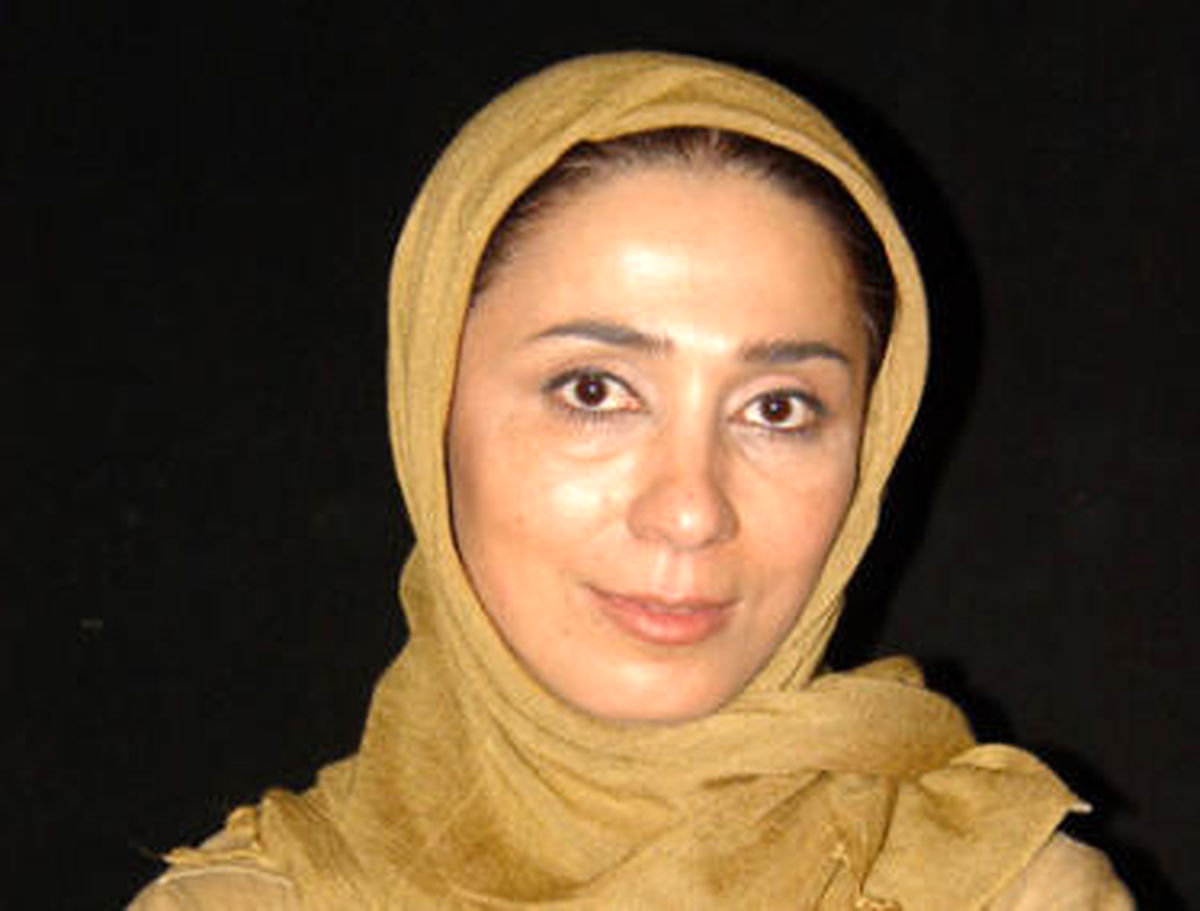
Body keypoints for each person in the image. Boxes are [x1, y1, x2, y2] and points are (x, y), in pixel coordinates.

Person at [130, 51, 1132, 909]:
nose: (690, 509)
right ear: (429, 404)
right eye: (594, 390)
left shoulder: (1002, 890)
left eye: (778, 408)